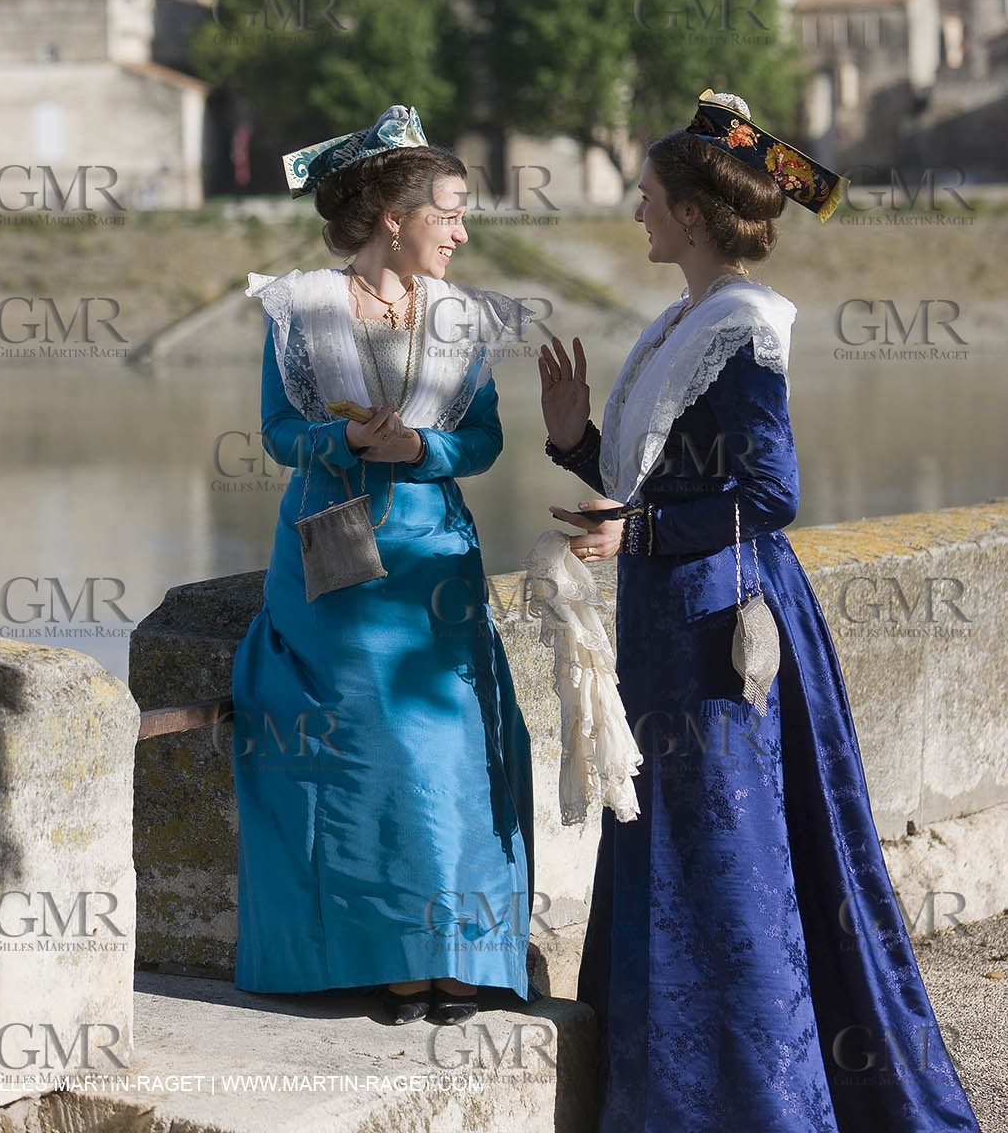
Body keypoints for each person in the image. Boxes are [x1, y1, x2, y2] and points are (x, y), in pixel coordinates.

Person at [540, 90, 980, 1131]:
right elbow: (651, 476)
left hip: (713, 626)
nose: (635, 211)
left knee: (725, 855)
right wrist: (575, 440)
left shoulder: (743, 326)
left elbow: (767, 494)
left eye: (646, 197)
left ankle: (753, 1105)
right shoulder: (676, 323)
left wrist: (636, 536)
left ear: (691, 213)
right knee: (674, 840)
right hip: (667, 616)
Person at [231, 105, 541, 1027]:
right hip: (331, 560)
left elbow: (483, 441)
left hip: (434, 563)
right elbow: (277, 434)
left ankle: (460, 955)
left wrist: (420, 453)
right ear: (392, 217)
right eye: (448, 213)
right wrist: (338, 437)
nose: (462, 231)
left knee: (450, 754)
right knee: (370, 757)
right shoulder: (301, 307)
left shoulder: (463, 318)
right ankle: (391, 959)